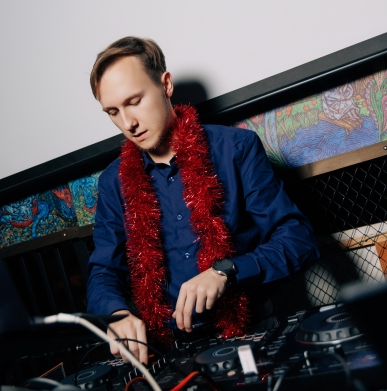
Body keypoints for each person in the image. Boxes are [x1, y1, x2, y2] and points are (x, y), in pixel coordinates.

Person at [86, 36, 319, 364]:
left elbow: (298, 240)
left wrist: (226, 271)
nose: (128, 123)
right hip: (169, 351)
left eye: (134, 101)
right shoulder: (113, 182)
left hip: (251, 332)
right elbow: (103, 270)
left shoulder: (236, 149)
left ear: (166, 85)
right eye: (113, 112)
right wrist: (117, 314)